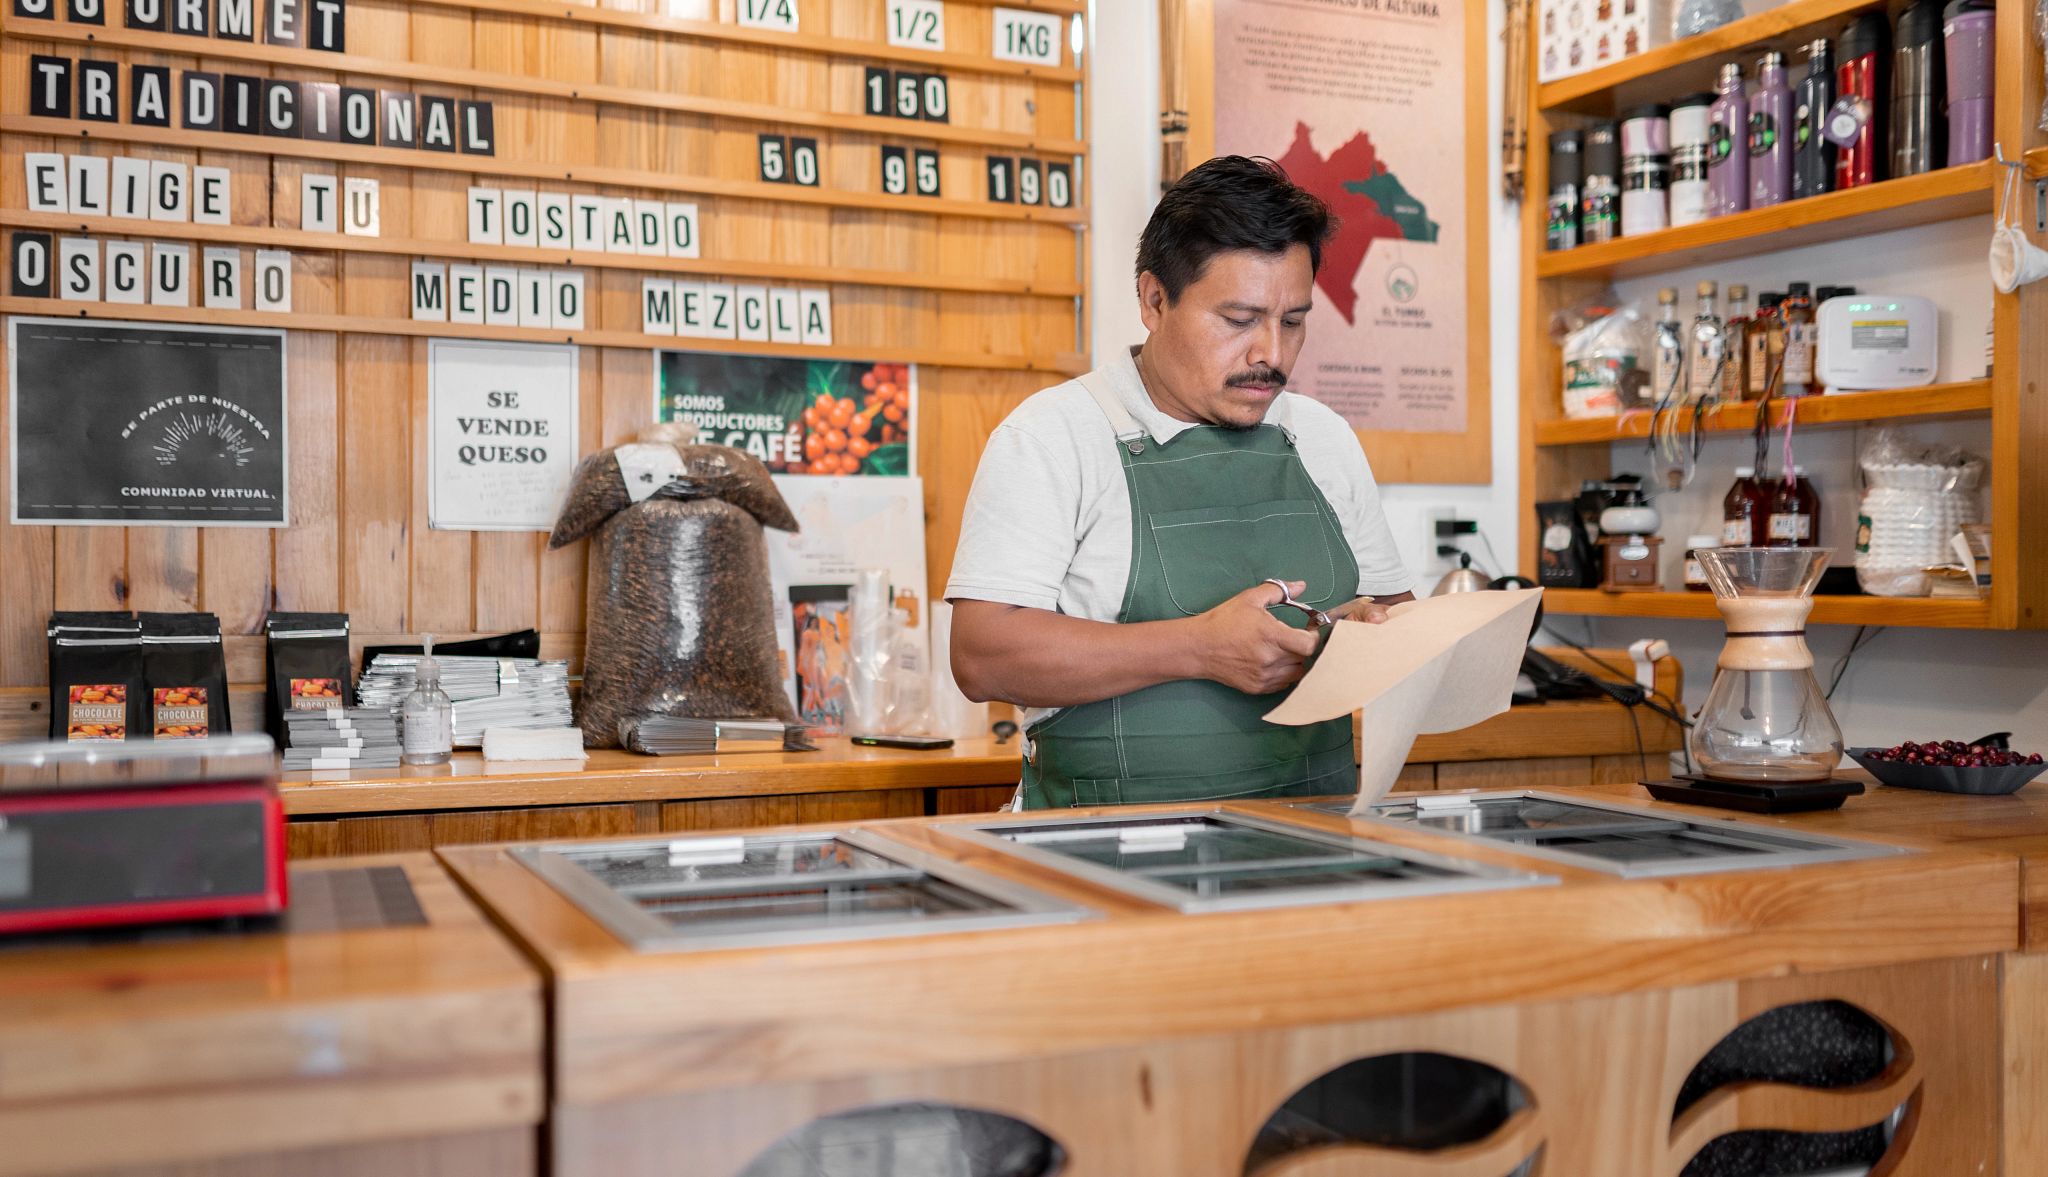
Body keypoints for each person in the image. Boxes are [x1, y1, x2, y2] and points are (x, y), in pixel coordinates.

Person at [946, 156, 1416, 809]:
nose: (1271, 354)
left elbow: (1396, 615)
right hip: (1100, 849)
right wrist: (1198, 648)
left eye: (1292, 321)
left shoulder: (1323, 437)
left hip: (1319, 841)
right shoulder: (1055, 436)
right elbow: (980, 657)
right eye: (1239, 319)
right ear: (1154, 300)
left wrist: (1358, 630)